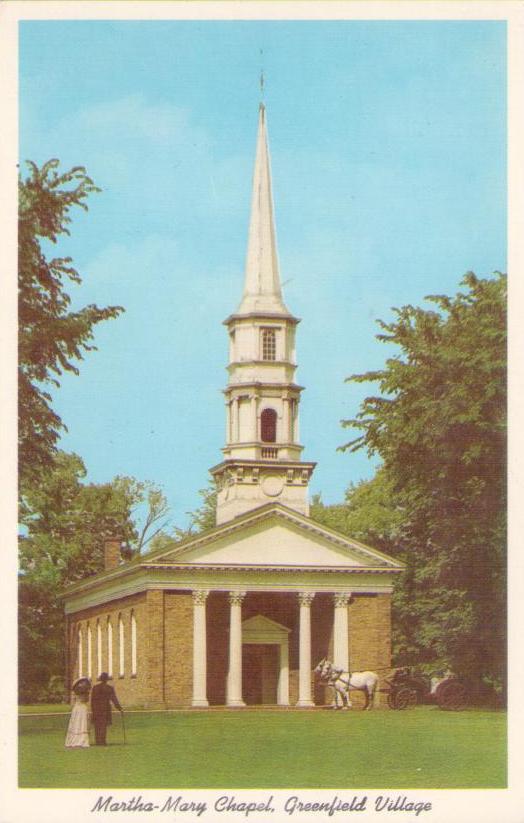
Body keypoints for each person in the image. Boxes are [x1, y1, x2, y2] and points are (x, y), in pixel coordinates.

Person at [90, 672, 123, 745]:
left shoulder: (95, 688)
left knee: (97, 725)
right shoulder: (109, 688)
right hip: (105, 709)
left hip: (97, 709)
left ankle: (98, 741)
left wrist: (93, 709)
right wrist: (119, 708)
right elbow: (114, 699)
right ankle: (102, 741)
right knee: (103, 725)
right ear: (107, 679)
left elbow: (92, 700)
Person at [65, 677, 91, 748]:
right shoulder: (85, 692)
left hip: (76, 708)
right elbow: (86, 700)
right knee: (82, 723)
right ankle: (81, 740)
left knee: (76, 723)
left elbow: (73, 701)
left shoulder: (75, 692)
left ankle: (74, 740)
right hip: (82, 708)